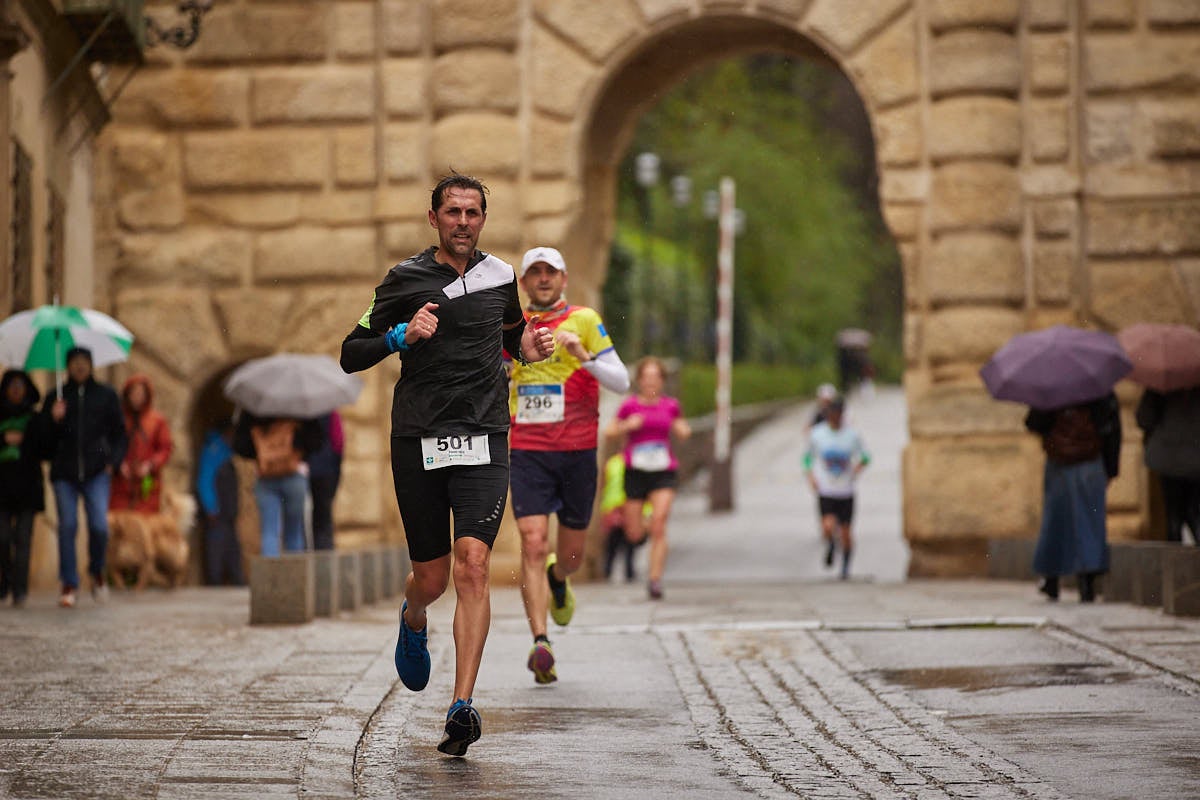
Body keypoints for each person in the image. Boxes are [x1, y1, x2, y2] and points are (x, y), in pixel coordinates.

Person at [339, 173, 554, 756]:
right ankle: (413, 617)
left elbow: (509, 335)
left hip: (485, 434)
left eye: (473, 212)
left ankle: (461, 705)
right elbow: (349, 352)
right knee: (432, 578)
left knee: (474, 564)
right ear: (433, 218)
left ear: (484, 219)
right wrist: (400, 337)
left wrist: (526, 349)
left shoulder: (501, 277)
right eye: (453, 212)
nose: (463, 221)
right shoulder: (403, 279)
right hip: (419, 437)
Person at [507, 246, 629, 685]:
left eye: (550, 272)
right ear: (524, 282)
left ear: (563, 278)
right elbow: (491, 372)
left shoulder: (585, 319)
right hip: (527, 451)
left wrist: (585, 355)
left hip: (577, 452)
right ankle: (542, 642)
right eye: (534, 273)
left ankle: (561, 580)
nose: (542, 279)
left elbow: (622, 381)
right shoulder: (512, 325)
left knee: (571, 555)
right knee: (534, 542)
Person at [42, 347, 127, 608]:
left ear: (91, 365)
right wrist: (53, 420)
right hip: (64, 474)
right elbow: (43, 445)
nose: (79, 367)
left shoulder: (106, 395)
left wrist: (113, 462)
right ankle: (69, 583)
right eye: (75, 362)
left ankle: (97, 571)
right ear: (67, 366)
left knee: (99, 526)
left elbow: (120, 434)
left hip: (97, 472)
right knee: (67, 526)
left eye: (84, 362)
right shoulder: (55, 397)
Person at [606, 356, 691, 600]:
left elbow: (682, 428)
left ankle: (655, 580)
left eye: (656, 377)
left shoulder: (671, 405)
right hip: (635, 472)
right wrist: (627, 426)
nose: (651, 381)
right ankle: (644, 528)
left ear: (662, 381)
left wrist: (682, 430)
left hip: (663, 471)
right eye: (647, 377)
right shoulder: (629, 406)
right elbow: (610, 432)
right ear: (639, 380)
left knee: (660, 524)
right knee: (634, 534)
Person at [1025, 392, 1122, 602]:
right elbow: (1112, 430)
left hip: (1059, 461)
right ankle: (1087, 581)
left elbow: (1033, 422)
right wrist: (1111, 468)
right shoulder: (1101, 390)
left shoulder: (1052, 387)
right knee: (1090, 521)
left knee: (1056, 520)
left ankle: (1051, 579)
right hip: (1091, 462)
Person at [0, 370, 58, 607]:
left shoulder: (35, 418)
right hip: (2, 488)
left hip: (28, 488)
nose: (16, 389)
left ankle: (20, 590)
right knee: (3, 539)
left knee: (23, 540)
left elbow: (46, 450)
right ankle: (5, 584)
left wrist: (53, 420)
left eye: (20, 384)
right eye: (11, 385)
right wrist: (4, 439)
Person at [233, 411, 322, 557]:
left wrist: (262, 452)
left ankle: (270, 578)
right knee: (294, 532)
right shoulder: (300, 407)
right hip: (295, 475)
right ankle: (294, 577)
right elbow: (317, 441)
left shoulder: (255, 408)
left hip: (265, 476)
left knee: (269, 532)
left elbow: (240, 445)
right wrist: (297, 448)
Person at [803, 396, 870, 580]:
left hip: (846, 489)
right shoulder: (817, 434)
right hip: (826, 488)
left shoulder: (852, 435)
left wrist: (857, 469)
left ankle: (846, 567)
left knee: (847, 533)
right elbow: (807, 457)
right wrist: (811, 476)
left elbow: (865, 456)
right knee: (827, 526)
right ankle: (831, 544)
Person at [1135, 387, 1200, 545]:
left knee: (1173, 515)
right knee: (1195, 512)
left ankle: (1174, 561)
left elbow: (1144, 418)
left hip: (1169, 459)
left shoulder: (1161, 387)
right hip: (1196, 459)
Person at [109, 374, 173, 513]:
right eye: (134, 393)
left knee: (145, 524)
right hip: (121, 481)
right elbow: (109, 443)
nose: (137, 397)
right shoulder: (118, 418)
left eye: (141, 394)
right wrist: (118, 463)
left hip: (147, 481)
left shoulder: (157, 421)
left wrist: (151, 465)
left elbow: (165, 449)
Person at [196, 419, 243, 585]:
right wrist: (211, 507)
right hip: (218, 510)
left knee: (231, 545)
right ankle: (214, 580)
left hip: (228, 511)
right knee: (216, 546)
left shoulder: (225, 450)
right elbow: (204, 481)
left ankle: (237, 578)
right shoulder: (213, 450)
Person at [599, 451, 645, 582]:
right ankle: (613, 571)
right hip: (617, 507)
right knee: (615, 542)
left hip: (622, 506)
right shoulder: (614, 463)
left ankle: (626, 571)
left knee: (625, 542)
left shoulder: (615, 462)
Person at [308, 411, 345, 551]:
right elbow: (338, 442)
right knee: (323, 518)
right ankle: (324, 561)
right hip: (327, 470)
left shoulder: (299, 412)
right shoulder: (331, 411)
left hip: (304, 469)